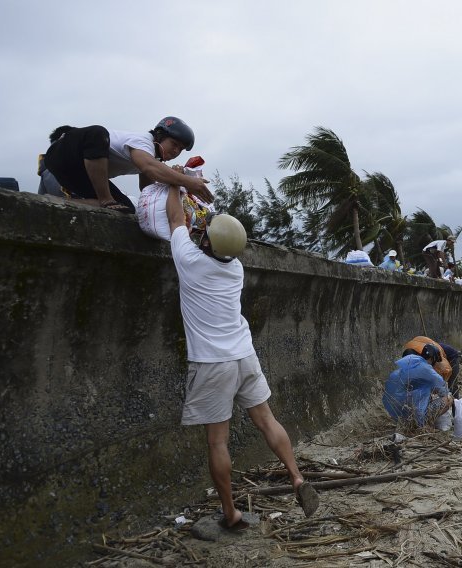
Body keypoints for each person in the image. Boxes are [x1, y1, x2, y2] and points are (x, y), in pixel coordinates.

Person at [165, 185, 318, 529]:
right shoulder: (235, 269)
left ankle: (231, 513)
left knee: (218, 440)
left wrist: (174, 181)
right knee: (266, 419)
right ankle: (296, 477)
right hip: (244, 355)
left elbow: (175, 217)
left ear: (207, 243)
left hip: (212, 362)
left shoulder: (189, 260)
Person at [44, 117, 212, 213]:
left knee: (126, 209)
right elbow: (150, 168)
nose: (176, 151)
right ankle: (105, 199)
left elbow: (147, 189)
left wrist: (177, 192)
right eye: (174, 144)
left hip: (77, 174)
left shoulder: (152, 158)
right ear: (159, 136)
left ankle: (57, 203)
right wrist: (187, 181)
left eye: (181, 149)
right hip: (63, 154)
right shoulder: (143, 142)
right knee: (97, 133)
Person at [382, 344, 453, 431]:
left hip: (398, 413)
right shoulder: (428, 370)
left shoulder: (412, 363)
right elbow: (444, 391)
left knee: (427, 396)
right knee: (448, 399)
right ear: (432, 359)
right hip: (415, 413)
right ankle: (425, 424)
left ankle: (411, 422)